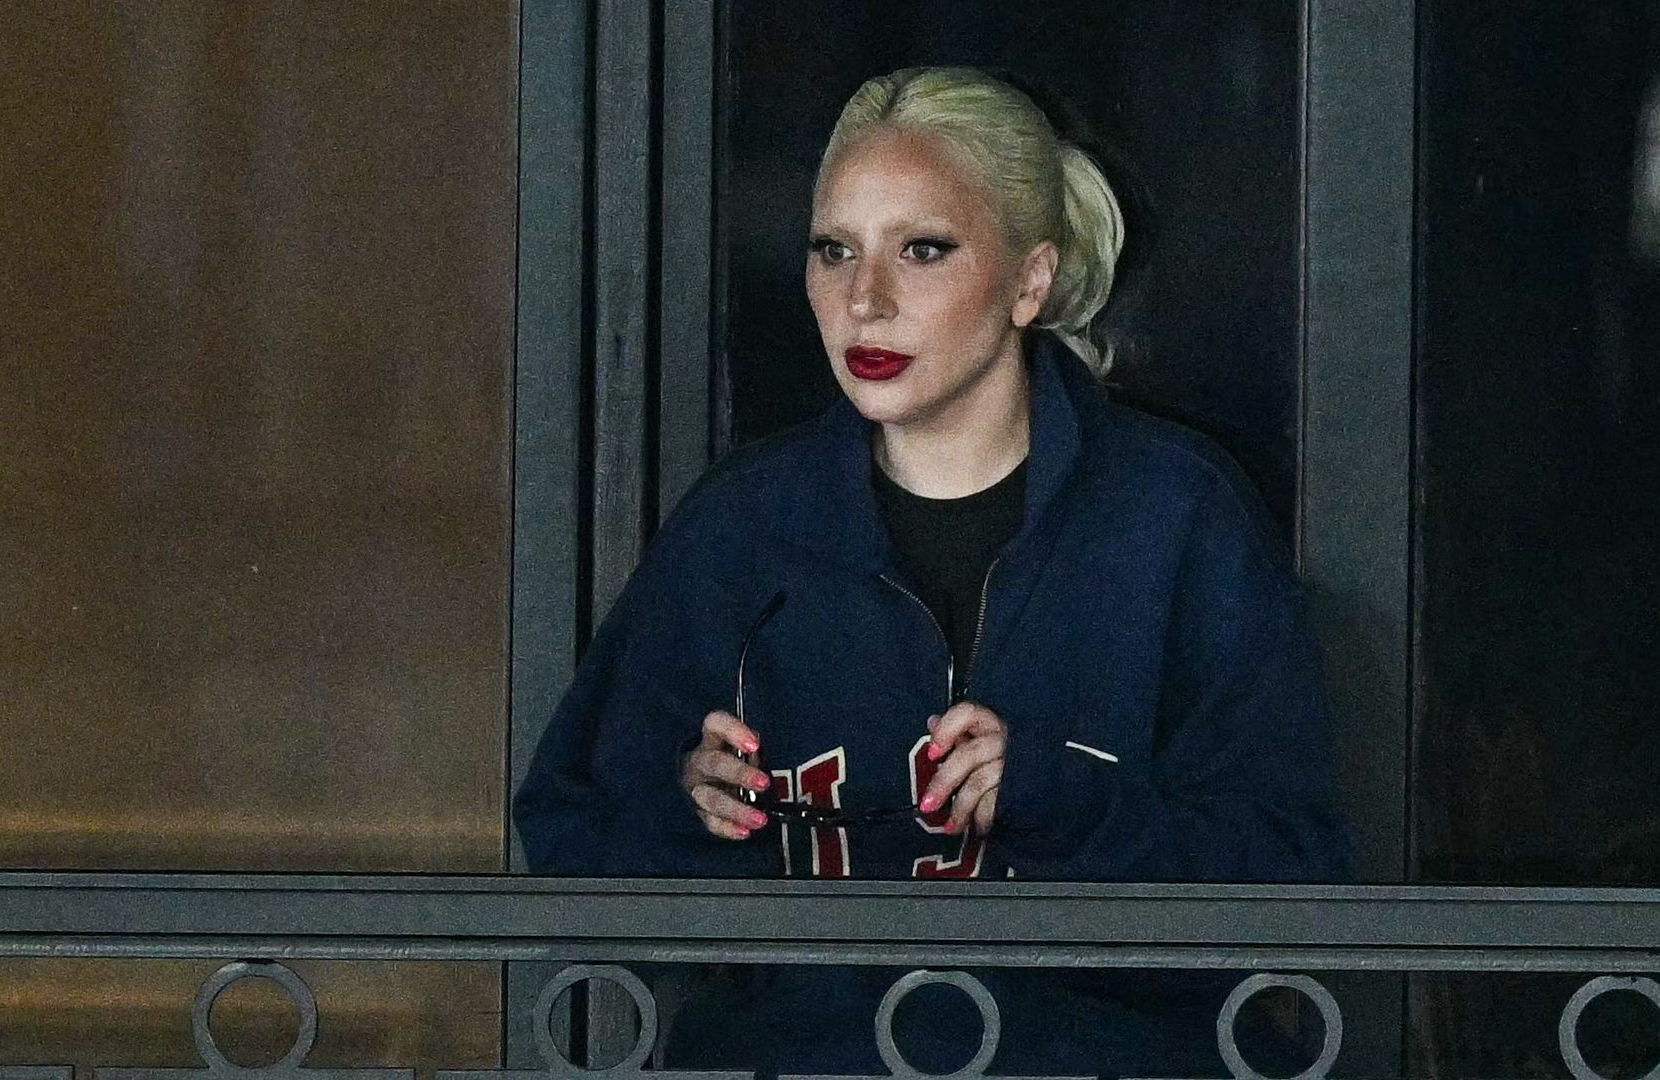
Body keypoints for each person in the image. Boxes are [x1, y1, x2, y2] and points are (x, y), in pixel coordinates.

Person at [513, 65, 1349, 1075]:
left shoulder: (1177, 517)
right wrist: (684, 812)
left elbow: (1293, 878)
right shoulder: (743, 527)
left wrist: (1057, 796)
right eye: (834, 251)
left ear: (1030, 280)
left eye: (923, 250)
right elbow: (575, 827)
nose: (865, 300)